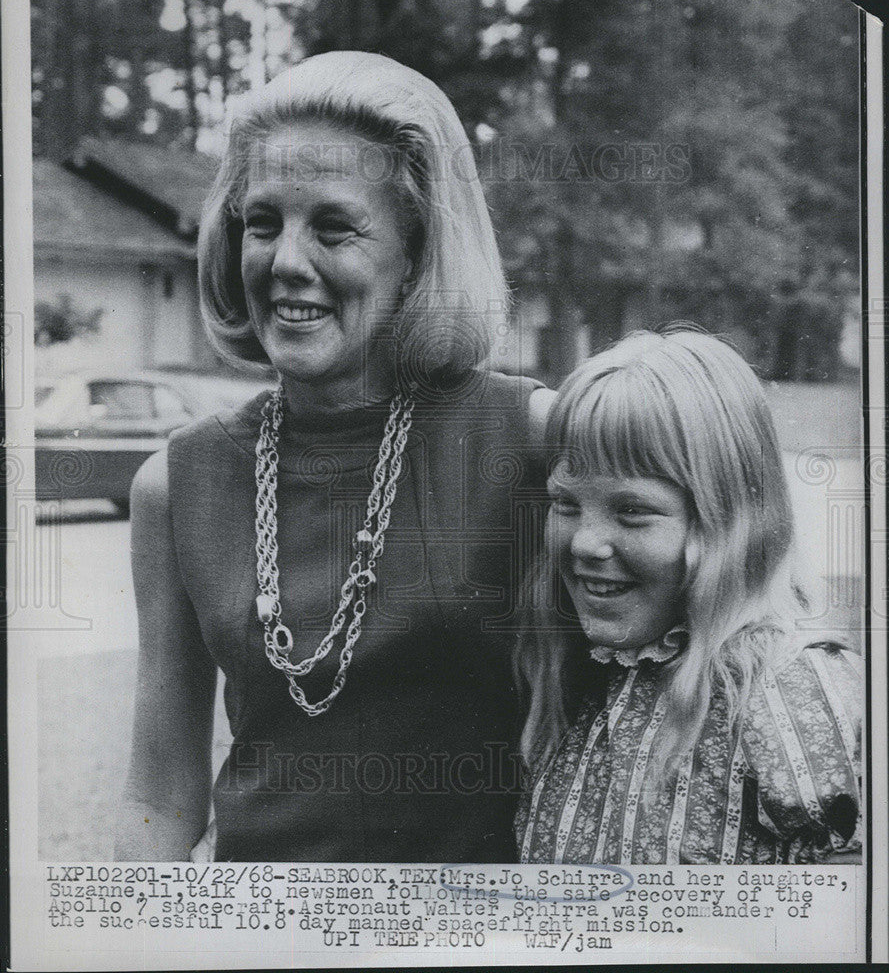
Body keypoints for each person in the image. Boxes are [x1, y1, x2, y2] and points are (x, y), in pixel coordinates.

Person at [115, 51, 555, 862]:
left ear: (419, 252)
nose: (285, 261)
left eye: (333, 227)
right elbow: (159, 789)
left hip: (477, 933)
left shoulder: (531, 440)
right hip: (259, 930)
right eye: (262, 222)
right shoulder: (176, 484)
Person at [515, 328, 862, 864]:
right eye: (566, 504)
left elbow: (855, 908)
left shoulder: (785, 689)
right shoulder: (592, 675)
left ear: (728, 521)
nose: (584, 542)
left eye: (632, 510)